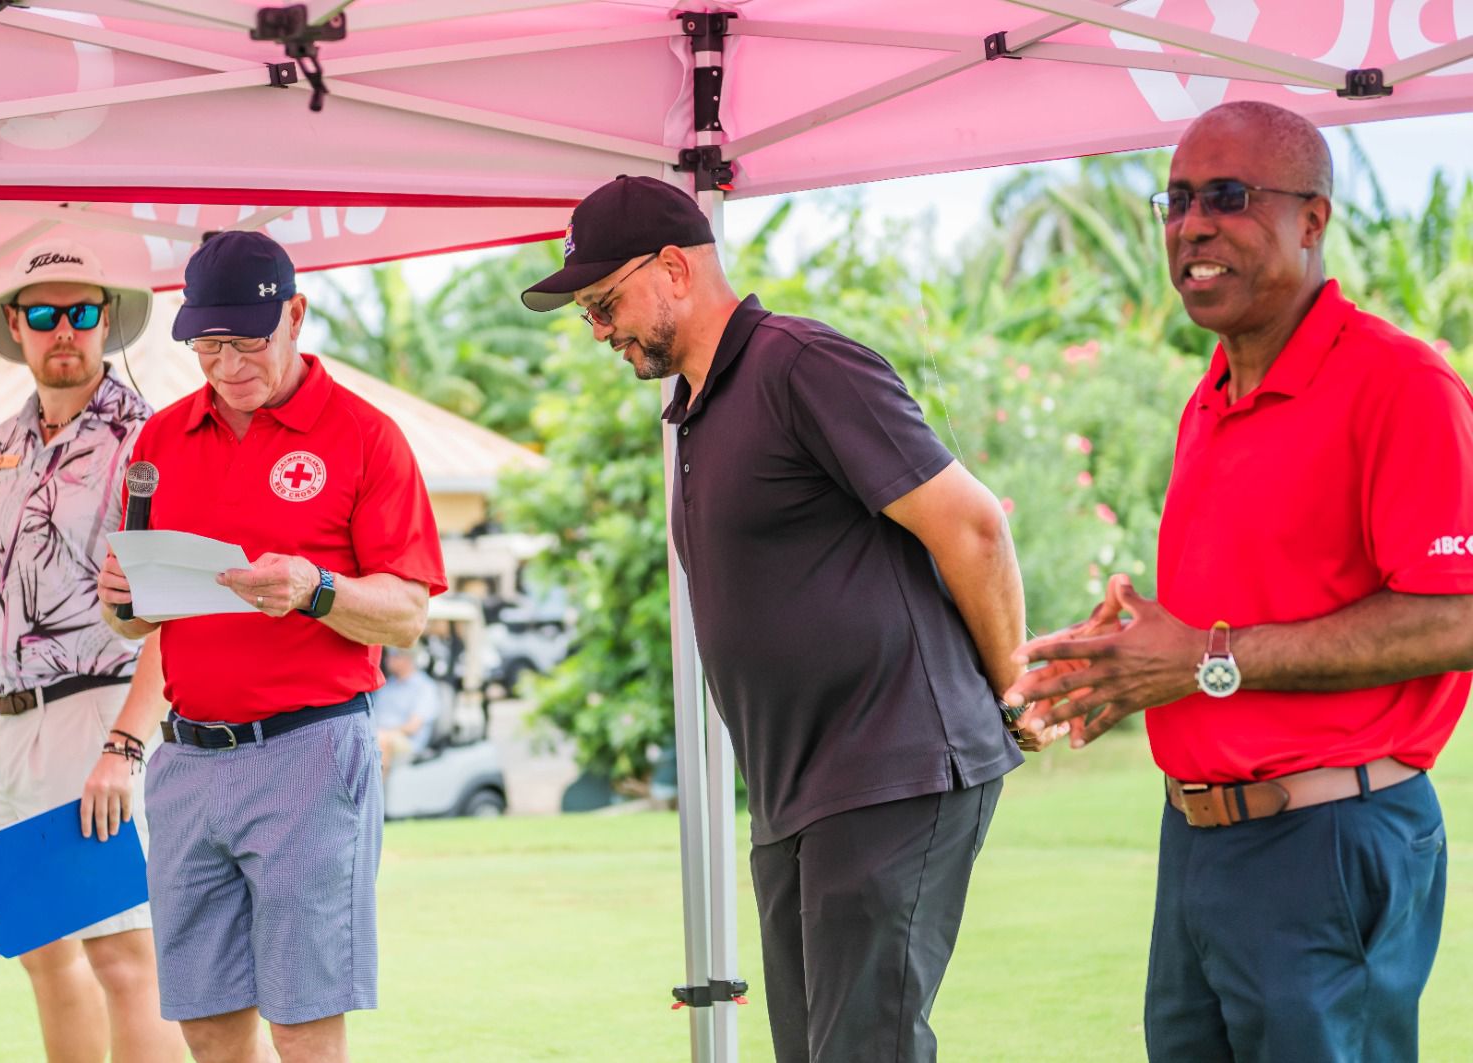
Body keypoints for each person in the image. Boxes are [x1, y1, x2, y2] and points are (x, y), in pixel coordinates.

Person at [522, 176, 1053, 1063]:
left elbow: (974, 526)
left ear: (674, 268)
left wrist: (1015, 688)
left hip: (892, 767)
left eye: (605, 303)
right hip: (794, 793)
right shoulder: (695, 410)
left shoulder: (801, 364)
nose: (601, 331)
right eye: (588, 315)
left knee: (865, 1049)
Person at [1005, 101, 1472, 1062]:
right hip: (1198, 843)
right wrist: (1126, 662)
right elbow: (1225, 629)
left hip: (1329, 841)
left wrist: (1205, 660)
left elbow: (1458, 617)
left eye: (1227, 196)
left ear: (1312, 220)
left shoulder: (1401, 386)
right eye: (1176, 200)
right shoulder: (1208, 401)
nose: (1193, 225)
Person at [95, 230, 447, 1063]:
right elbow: (137, 623)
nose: (226, 366)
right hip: (186, 760)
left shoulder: (365, 435)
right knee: (209, 1029)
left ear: (295, 314)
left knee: (302, 1027)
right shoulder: (160, 440)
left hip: (309, 754)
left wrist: (316, 589)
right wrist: (123, 605)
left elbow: (406, 613)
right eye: (207, 345)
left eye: (246, 342)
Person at [0, 240, 186, 1062]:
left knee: (122, 956)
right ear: (16, 325)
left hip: (100, 710)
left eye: (82, 312)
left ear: (106, 320)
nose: (65, 330)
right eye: (46, 314)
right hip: (14, 722)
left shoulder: (148, 438)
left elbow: (174, 607)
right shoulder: (2, 442)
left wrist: (125, 745)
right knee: (41, 945)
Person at [374, 647, 444, 770]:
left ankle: (379, 783)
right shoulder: (387, 684)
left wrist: (381, 732)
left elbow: (412, 727)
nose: (387, 658)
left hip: (407, 741)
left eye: (393, 654)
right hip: (380, 733)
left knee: (381, 740)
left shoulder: (424, 687)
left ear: (407, 658)